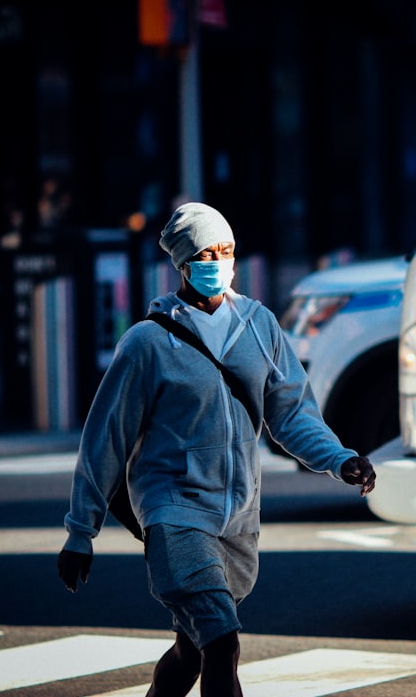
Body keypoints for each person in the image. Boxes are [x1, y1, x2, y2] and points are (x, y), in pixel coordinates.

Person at [56, 202, 376, 697]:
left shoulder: (259, 325)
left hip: (238, 516)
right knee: (222, 643)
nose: (219, 261)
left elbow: (291, 413)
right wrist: (81, 531)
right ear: (183, 263)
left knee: (192, 646)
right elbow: (106, 436)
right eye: (207, 253)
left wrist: (339, 459)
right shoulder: (147, 342)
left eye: (226, 250)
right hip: (173, 510)